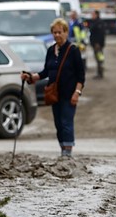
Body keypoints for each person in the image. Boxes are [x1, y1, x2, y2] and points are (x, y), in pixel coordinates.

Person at [22, 17, 85, 158]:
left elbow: (81, 76)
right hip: (54, 94)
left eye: (60, 32)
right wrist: (31, 78)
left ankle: (67, 152)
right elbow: (45, 72)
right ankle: (62, 148)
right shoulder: (51, 50)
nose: (57, 35)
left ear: (66, 32)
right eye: (54, 32)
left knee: (66, 122)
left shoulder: (73, 50)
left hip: (69, 94)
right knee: (58, 123)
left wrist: (77, 92)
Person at [88, 9, 107, 79]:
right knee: (98, 58)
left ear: (96, 15)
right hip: (95, 44)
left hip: (97, 45)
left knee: (99, 59)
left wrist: (98, 43)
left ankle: (100, 73)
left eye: (93, 14)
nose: (92, 16)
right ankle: (99, 72)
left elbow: (101, 34)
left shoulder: (99, 23)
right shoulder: (95, 22)